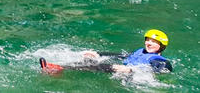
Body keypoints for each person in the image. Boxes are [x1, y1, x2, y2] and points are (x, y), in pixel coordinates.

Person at [40, 29, 173, 74]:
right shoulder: (141, 51)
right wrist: (99, 53)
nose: (148, 43)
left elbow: (164, 69)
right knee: (90, 59)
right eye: (147, 40)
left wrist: (133, 70)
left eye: (154, 42)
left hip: (133, 77)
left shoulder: (158, 60)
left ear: (161, 46)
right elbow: (122, 55)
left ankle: (60, 68)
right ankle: (60, 68)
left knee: (102, 66)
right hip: (123, 72)